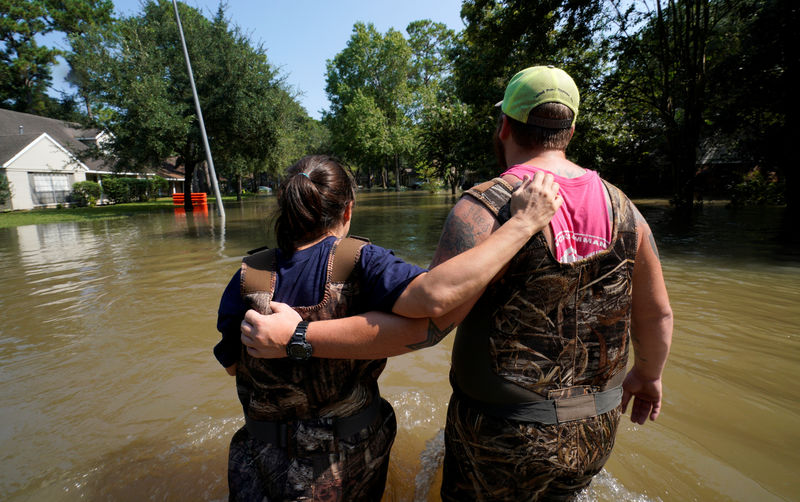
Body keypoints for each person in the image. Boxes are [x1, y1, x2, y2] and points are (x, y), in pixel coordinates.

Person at [241, 66, 673, 501]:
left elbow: (430, 317)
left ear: (504, 125)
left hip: (503, 435)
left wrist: (298, 335)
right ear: (571, 131)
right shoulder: (626, 211)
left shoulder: (486, 206)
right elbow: (657, 312)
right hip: (595, 428)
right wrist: (649, 375)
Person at [215, 154, 562, 501]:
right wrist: (524, 222)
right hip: (341, 468)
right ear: (347, 210)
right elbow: (434, 298)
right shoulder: (361, 260)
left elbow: (234, 366)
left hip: (257, 461)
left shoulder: (248, 275)